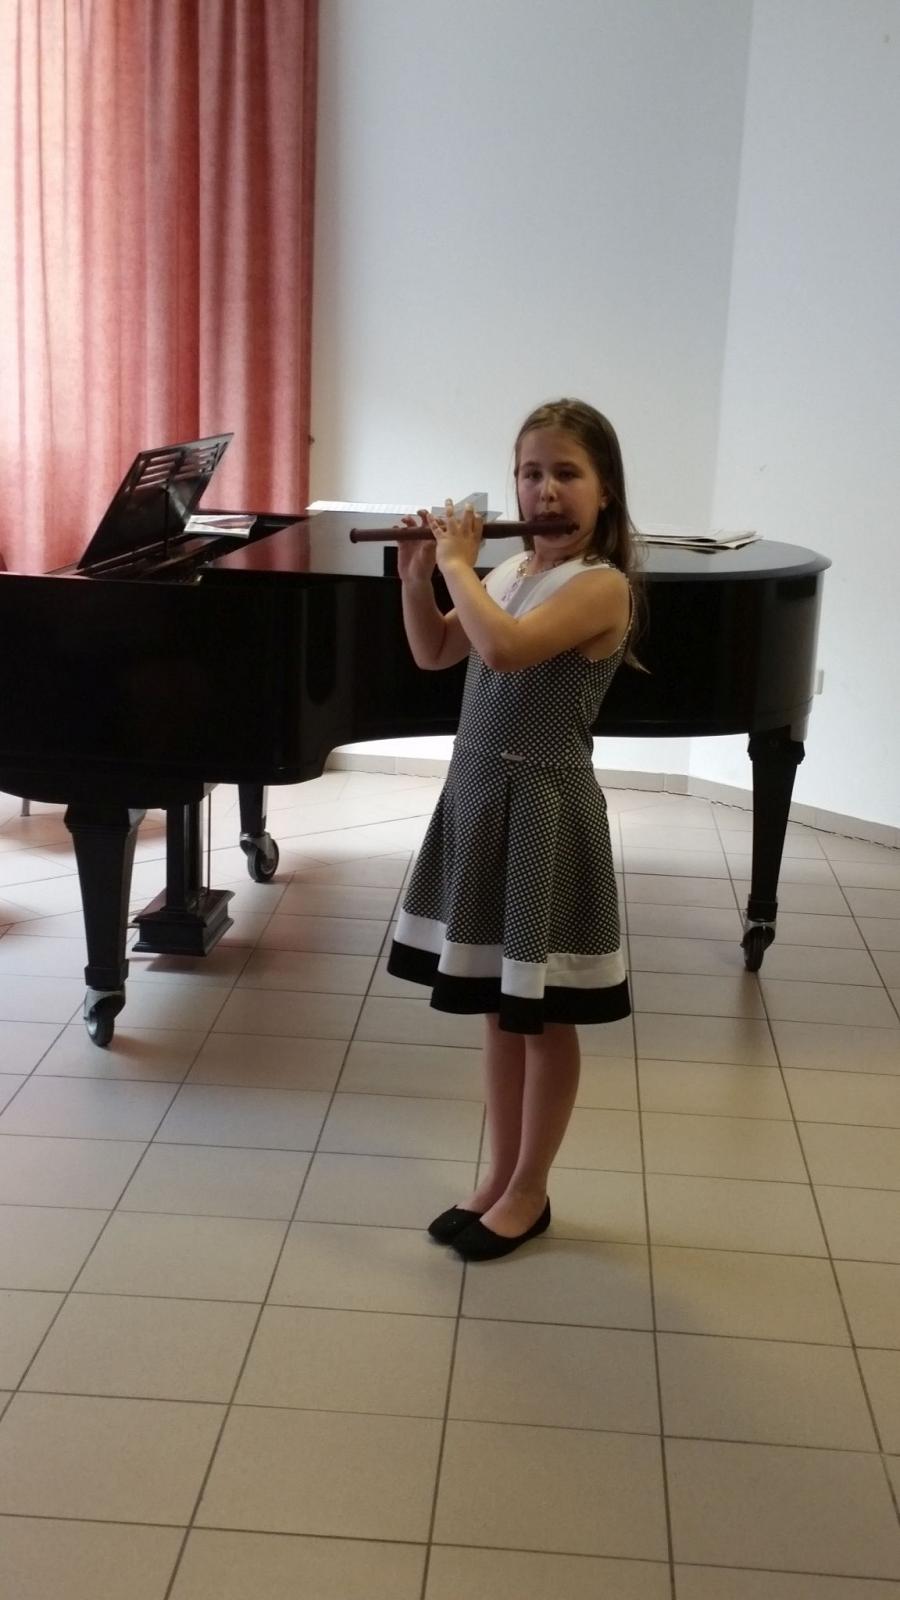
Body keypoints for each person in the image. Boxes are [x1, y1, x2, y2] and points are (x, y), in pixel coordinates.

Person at [386, 398, 640, 1261]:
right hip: (480, 800)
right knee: (497, 1009)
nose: (546, 491)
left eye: (567, 473)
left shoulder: (600, 585)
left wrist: (458, 564)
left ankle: (531, 1189)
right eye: (531, 473)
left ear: (605, 490)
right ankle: (498, 1177)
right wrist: (418, 577)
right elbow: (436, 651)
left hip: (543, 813)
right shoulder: (509, 571)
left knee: (544, 1015)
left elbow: (504, 650)